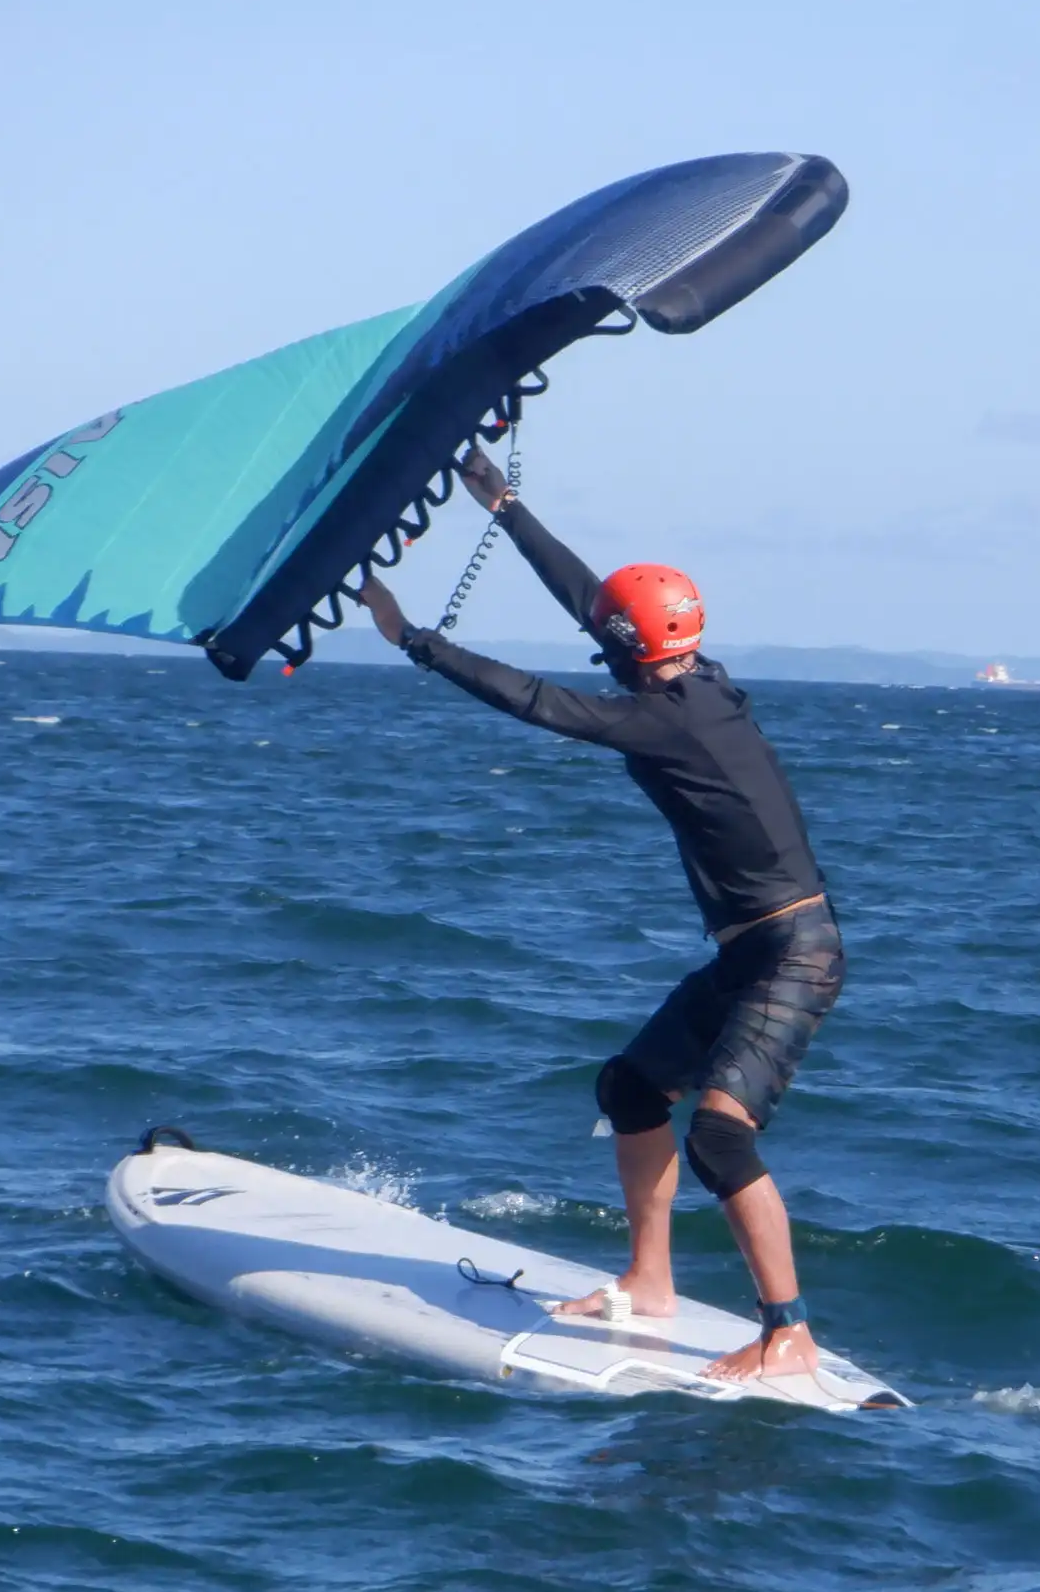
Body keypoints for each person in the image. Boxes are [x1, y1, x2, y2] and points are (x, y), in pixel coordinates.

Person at [356, 445, 843, 1383]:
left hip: (793, 954)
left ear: (629, 650)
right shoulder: (696, 684)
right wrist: (503, 506)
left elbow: (538, 700)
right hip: (753, 952)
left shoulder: (662, 718)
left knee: (719, 1134)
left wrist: (415, 639)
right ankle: (649, 1281)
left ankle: (788, 1330)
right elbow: (592, 598)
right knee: (630, 1090)